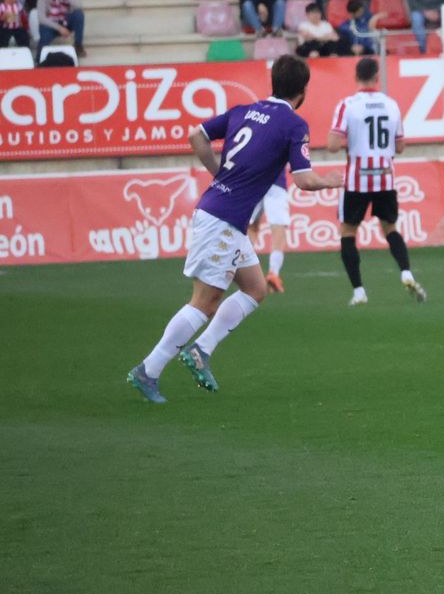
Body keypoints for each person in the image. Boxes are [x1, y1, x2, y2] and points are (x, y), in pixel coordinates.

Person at [126, 56, 344, 403]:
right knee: (204, 302)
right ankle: (148, 370)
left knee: (255, 289)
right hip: (222, 222)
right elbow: (303, 180)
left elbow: (195, 134)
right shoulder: (294, 124)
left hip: (222, 215)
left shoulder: (244, 110)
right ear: (303, 91)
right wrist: (330, 181)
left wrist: (217, 170)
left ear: (274, 82)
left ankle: (201, 350)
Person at [328, 56, 426, 307]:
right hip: (385, 177)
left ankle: (359, 292)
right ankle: (406, 272)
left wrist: (351, 139)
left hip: (357, 180)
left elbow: (332, 145)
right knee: (390, 228)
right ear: (376, 77)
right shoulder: (392, 105)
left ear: (356, 77)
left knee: (348, 233)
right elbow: (401, 146)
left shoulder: (347, 105)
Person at [249, 170, 292, 294]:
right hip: (276, 182)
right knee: (278, 228)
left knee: (251, 227)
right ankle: (274, 273)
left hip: (253, 181)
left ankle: (239, 265)